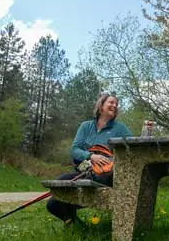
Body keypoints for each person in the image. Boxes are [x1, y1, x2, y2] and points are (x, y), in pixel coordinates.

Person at [46, 93, 132, 225]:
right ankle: (77, 226)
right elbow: (75, 150)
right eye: (111, 102)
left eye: (116, 104)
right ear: (101, 106)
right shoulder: (86, 126)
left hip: (107, 175)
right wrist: (91, 156)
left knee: (64, 183)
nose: (115, 106)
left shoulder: (121, 128)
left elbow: (131, 150)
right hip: (85, 173)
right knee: (53, 203)